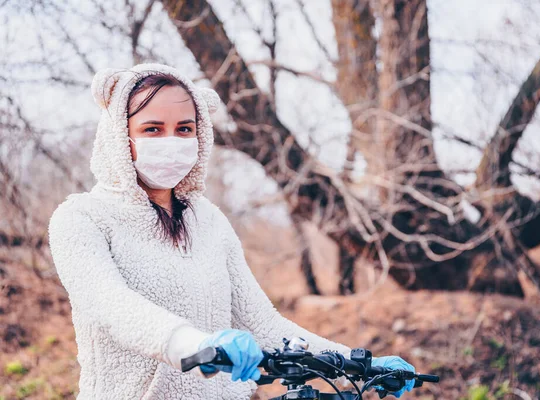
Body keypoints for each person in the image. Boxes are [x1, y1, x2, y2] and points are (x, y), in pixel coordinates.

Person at [48, 63, 415, 399]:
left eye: (184, 129)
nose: (171, 141)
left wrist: (359, 362)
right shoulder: (80, 218)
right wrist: (194, 345)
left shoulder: (209, 221)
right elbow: (111, 306)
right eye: (152, 129)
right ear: (118, 136)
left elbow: (262, 322)